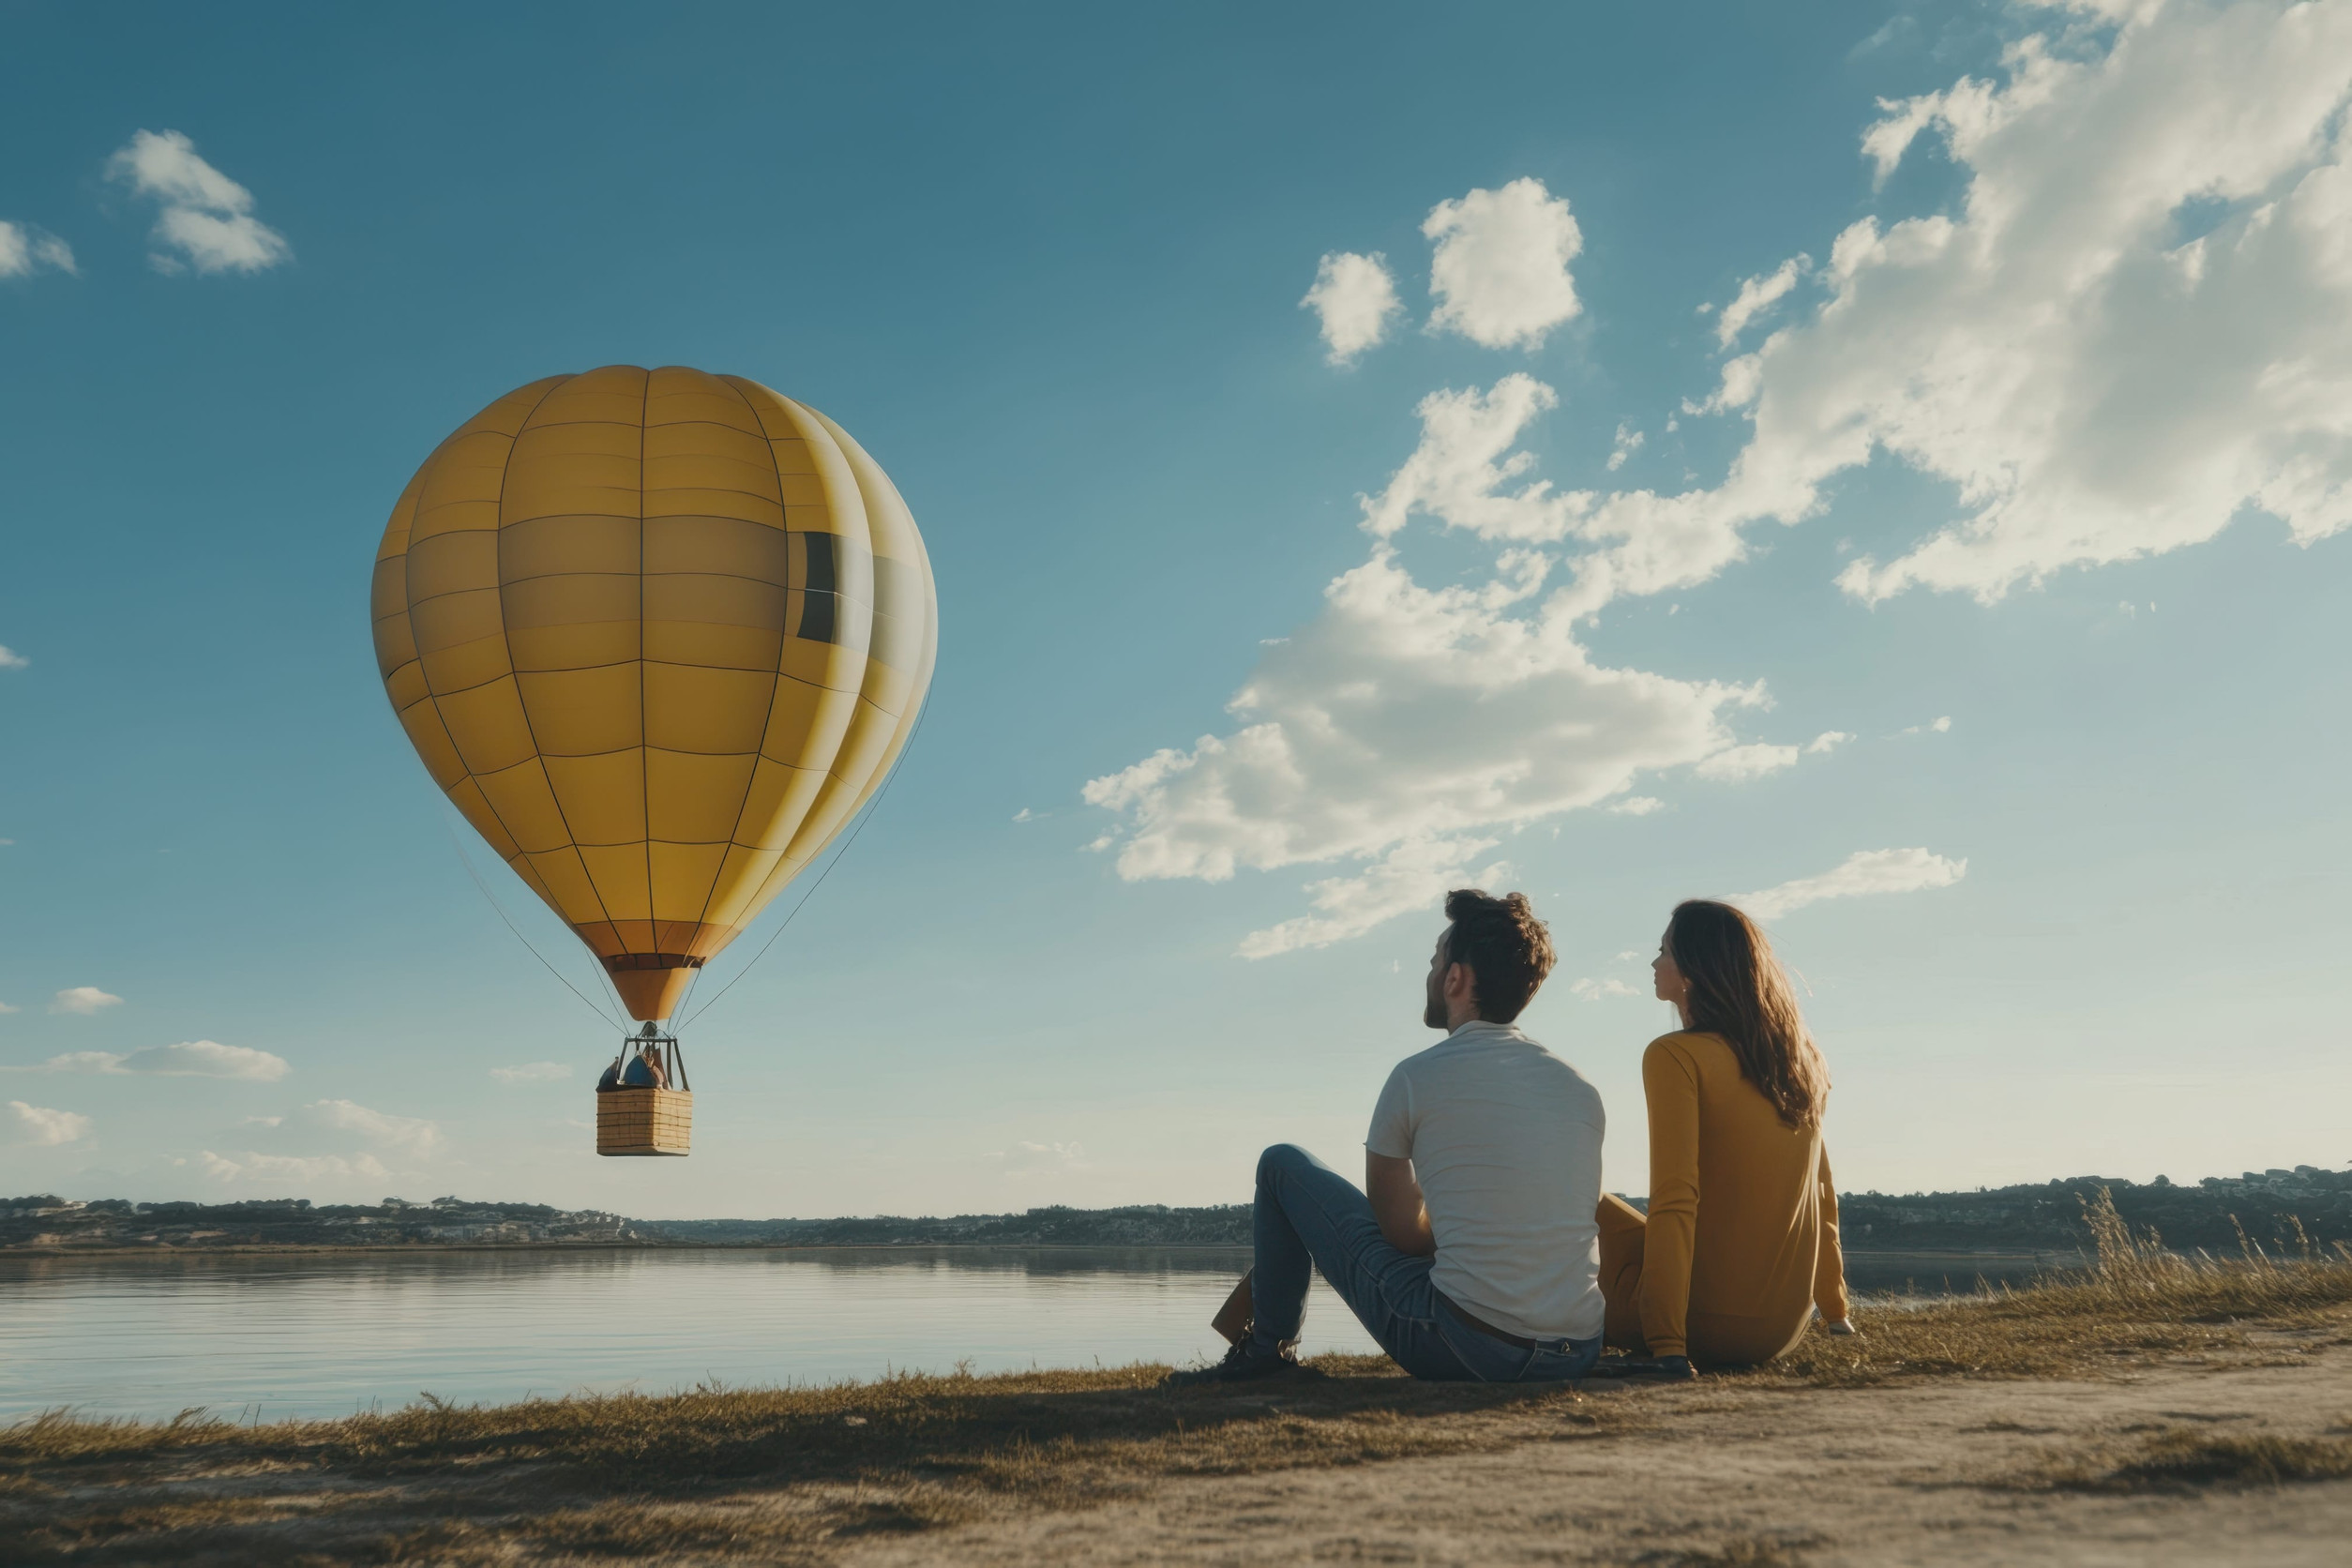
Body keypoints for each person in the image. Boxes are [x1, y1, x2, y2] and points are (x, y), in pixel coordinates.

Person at [1169, 889, 1606, 1386]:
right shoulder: (1579, 1088)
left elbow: (1402, 1236)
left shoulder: (1416, 1078)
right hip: (1577, 1349)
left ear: (1455, 979)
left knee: (1281, 1164)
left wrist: (1450, 1218)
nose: (1430, 974)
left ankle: (1266, 1353)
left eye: (1435, 961)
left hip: (1466, 1347)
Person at [1594, 899, 1856, 1379]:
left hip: (1700, 1327)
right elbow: (1822, 1195)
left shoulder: (1676, 1055)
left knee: (1571, 1194)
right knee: (1612, 1214)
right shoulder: (1802, 1062)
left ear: (1693, 969)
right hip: (1782, 1330)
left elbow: (1675, 1198)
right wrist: (1835, 1312)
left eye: (1664, 951)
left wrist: (1668, 1345)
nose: (1654, 963)